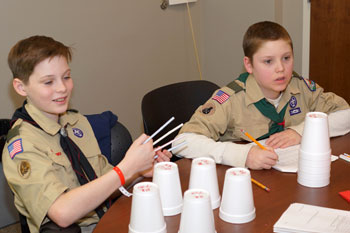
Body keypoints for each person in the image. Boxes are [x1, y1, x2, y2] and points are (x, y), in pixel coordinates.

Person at [2, 35, 172, 233]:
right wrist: (127, 168)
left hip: (110, 217)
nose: (62, 88)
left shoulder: (76, 122)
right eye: (48, 82)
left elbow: (105, 182)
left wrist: (139, 171)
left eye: (66, 77)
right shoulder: (22, 147)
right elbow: (62, 213)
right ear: (21, 87)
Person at [172, 21, 350, 170]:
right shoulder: (231, 99)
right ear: (249, 65)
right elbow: (182, 142)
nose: (280, 68)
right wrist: (242, 155)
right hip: (243, 182)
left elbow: (346, 115)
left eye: (286, 58)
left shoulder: (301, 88)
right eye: (268, 61)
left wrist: (301, 132)